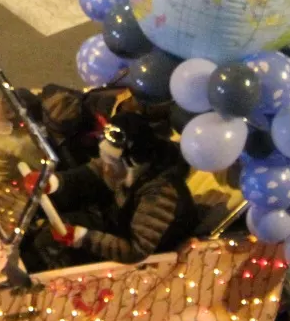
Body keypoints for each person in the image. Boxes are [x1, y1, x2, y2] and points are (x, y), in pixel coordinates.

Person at [26, 111, 197, 269]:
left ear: (131, 163)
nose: (105, 169)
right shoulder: (125, 169)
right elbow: (92, 173)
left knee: (57, 242)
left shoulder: (160, 195)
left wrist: (82, 237)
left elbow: (135, 250)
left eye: (111, 164)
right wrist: (52, 182)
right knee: (52, 228)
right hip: (119, 221)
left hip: (145, 260)